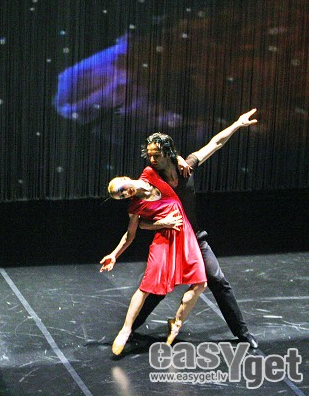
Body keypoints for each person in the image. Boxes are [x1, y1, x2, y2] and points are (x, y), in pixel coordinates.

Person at [131, 109, 259, 348]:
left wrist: (237, 124)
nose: (152, 159)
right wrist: (161, 223)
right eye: (149, 155)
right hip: (171, 241)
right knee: (158, 290)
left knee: (218, 280)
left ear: (169, 153)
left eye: (157, 155)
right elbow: (138, 220)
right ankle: (130, 329)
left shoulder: (186, 167)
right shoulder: (152, 181)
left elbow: (215, 144)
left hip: (196, 239)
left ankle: (242, 333)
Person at [100, 166, 207, 356]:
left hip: (185, 237)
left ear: (125, 177)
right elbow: (130, 234)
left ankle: (177, 321)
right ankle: (125, 330)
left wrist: (179, 160)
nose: (125, 194)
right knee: (146, 288)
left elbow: (170, 163)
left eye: (122, 190)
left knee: (200, 283)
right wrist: (114, 254)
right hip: (163, 241)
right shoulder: (135, 206)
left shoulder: (150, 173)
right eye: (121, 196)